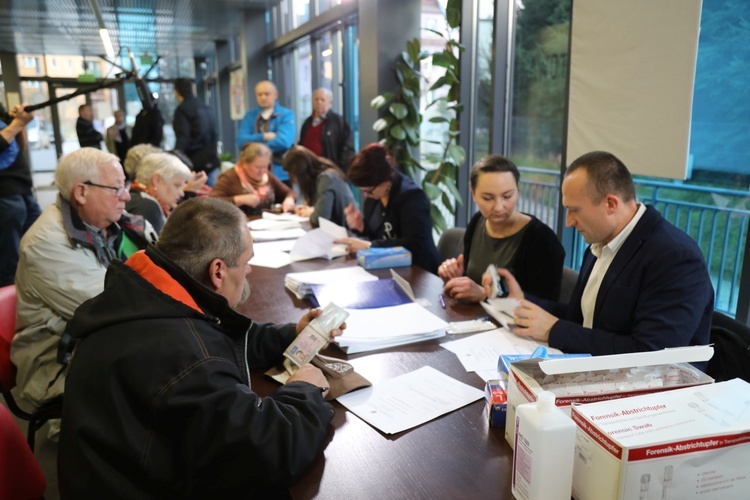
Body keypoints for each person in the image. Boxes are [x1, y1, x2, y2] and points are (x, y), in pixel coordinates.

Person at [59, 197, 339, 497]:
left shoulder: (147, 294)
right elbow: (271, 451)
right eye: (246, 262)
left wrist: (291, 334)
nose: (248, 272)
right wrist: (305, 390)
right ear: (218, 271)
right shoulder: (186, 357)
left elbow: (220, 334)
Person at [489, 151, 714, 365]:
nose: (569, 222)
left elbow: (650, 356)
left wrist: (555, 330)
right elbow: (583, 319)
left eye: (574, 210)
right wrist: (522, 302)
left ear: (610, 204)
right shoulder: (601, 241)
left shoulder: (675, 256)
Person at [10, 148, 157, 416]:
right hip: (56, 364)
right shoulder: (46, 243)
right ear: (81, 192)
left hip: (97, 345)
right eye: (115, 188)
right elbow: (114, 307)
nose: (126, 195)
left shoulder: (117, 224)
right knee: (165, 371)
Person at [438, 155, 565, 302]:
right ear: (473, 194)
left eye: (507, 196)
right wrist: (457, 277)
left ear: (517, 190)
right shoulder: (477, 221)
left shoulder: (542, 240)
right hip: (476, 320)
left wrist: (487, 296)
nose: (498, 207)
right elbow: (473, 279)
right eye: (487, 198)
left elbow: (547, 306)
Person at [340, 143, 440, 273]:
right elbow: (377, 236)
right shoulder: (374, 199)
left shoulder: (412, 197)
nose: (367, 195)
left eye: (369, 191)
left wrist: (369, 246)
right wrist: (361, 227)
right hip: (387, 267)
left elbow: (414, 244)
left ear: (385, 180)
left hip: (419, 271)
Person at [0, 103, 42, 287]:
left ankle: (32, 284)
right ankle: (7, 292)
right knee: (9, 252)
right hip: (4, 190)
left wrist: (20, 123)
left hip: (22, 185)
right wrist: (17, 122)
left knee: (37, 238)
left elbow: (21, 145)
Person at [212, 142, 295, 216]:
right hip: (239, 227)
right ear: (244, 164)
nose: (262, 171)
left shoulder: (267, 175)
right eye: (257, 167)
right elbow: (212, 202)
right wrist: (239, 200)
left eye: (265, 166)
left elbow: (289, 192)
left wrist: (289, 200)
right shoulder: (230, 177)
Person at [237, 81, 295, 182]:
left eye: (267, 94)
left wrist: (254, 148)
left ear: (275, 95)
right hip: (254, 175)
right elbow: (241, 141)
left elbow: (284, 142)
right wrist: (264, 136)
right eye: (259, 94)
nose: (263, 97)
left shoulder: (286, 115)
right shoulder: (250, 116)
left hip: (279, 172)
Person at [283, 145, 354, 227]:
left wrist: (312, 213)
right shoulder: (324, 176)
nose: (295, 181)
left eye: (293, 176)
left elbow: (320, 219)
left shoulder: (327, 178)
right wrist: (311, 211)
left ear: (301, 174)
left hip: (344, 234)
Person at [126, 152, 192, 233]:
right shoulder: (148, 207)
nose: (182, 193)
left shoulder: (137, 198)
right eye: (177, 185)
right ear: (157, 180)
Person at [173, 77, 221, 185]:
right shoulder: (205, 106)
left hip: (196, 168)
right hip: (213, 162)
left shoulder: (182, 110)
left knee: (200, 201)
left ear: (177, 91)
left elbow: (182, 138)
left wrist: (176, 159)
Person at [298, 88, 354, 171]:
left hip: (329, 171)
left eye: (322, 100)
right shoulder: (307, 123)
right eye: (316, 99)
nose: (319, 102)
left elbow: (348, 148)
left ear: (330, 103)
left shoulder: (338, 122)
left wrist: (340, 170)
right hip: (308, 172)